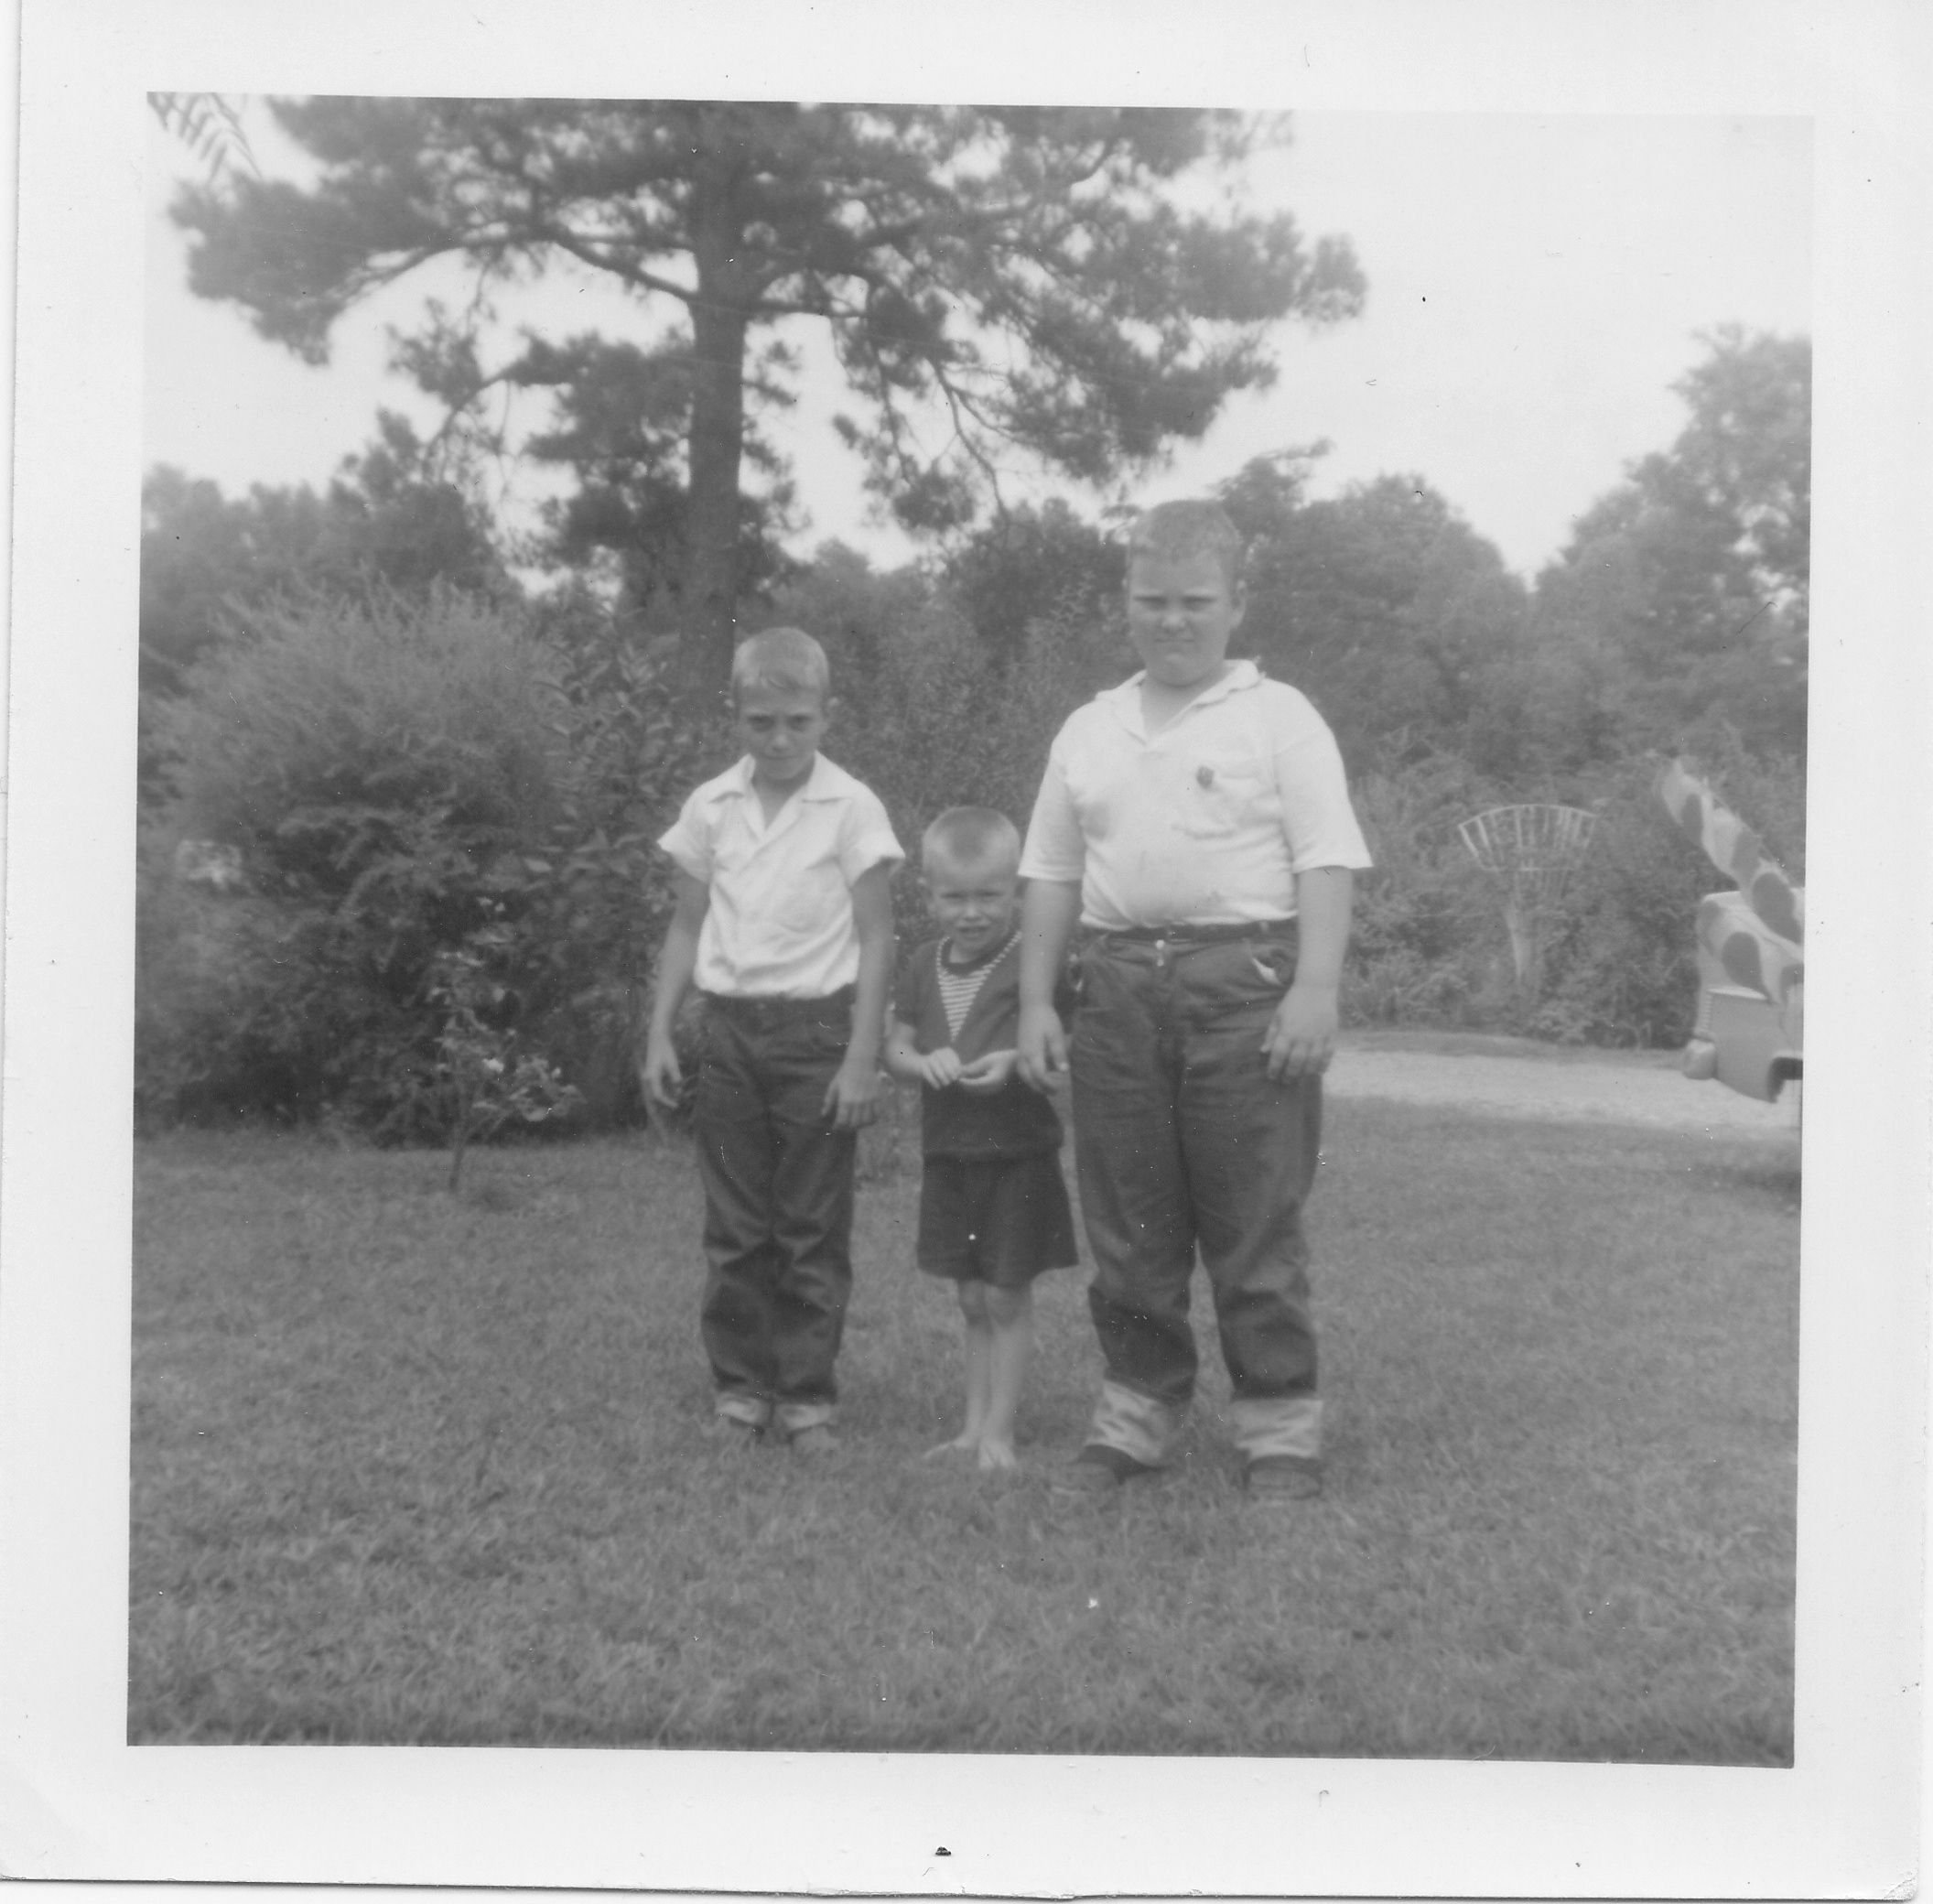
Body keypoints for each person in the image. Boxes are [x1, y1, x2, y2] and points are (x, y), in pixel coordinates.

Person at [1015, 500, 1371, 1505]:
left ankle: (1280, 1428)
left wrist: (1314, 989)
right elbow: (1051, 872)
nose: (1173, 620)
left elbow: (1326, 858)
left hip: (1243, 990)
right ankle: (1138, 1413)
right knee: (1130, 1224)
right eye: (1153, 601)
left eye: (1195, 602)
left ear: (1236, 604)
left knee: (1254, 1220)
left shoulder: (1279, 716)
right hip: (1115, 991)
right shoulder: (1089, 728)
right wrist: (1037, 1000)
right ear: (1126, 602)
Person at [643, 627, 903, 1458]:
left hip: (818, 1037)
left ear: (828, 715)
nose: (781, 739)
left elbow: (878, 937)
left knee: (810, 1225)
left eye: (798, 721)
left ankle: (805, 1397)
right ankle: (741, 1389)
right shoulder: (711, 807)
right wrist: (660, 1033)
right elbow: (687, 926)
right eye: (761, 722)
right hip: (728, 1036)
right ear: (736, 716)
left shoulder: (851, 807)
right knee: (735, 1225)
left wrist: (862, 1056)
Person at [883, 808, 1079, 1472]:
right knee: (970, 1298)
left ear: (1016, 891)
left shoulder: (1032, 964)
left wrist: (1020, 1064)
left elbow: (1065, 1045)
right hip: (950, 1157)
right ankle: (970, 1429)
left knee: (1005, 1294)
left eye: (989, 896)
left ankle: (1000, 1432)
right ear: (928, 895)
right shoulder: (921, 965)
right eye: (954, 897)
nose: (972, 913)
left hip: (1016, 1156)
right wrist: (922, 1063)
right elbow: (896, 1049)